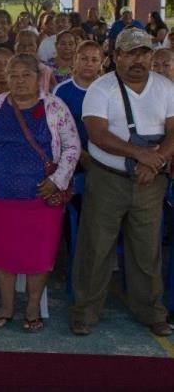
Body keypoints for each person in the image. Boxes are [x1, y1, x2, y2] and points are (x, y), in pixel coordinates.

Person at [70, 28, 174, 337]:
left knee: (146, 249)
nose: (137, 60)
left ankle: (151, 311)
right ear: (116, 57)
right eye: (129, 53)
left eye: (143, 53)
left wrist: (155, 162)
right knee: (96, 247)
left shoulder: (165, 87)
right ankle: (85, 312)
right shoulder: (101, 89)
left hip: (149, 181)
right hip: (107, 180)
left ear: (151, 56)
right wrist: (143, 155)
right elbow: (98, 134)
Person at [0, 54, 80, 332]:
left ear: (38, 78)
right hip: (1, 194)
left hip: (42, 199)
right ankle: (6, 306)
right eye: (14, 75)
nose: (19, 81)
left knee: (38, 256)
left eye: (26, 75)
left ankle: (32, 309)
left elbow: (72, 148)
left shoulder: (55, 107)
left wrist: (57, 181)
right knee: (2, 253)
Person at [53, 41, 104, 162]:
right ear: (75, 60)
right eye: (84, 59)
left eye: (94, 60)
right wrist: (80, 155)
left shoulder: (108, 89)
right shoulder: (61, 90)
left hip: (104, 157)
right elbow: (56, 130)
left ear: (101, 63)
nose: (89, 64)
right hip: (69, 157)